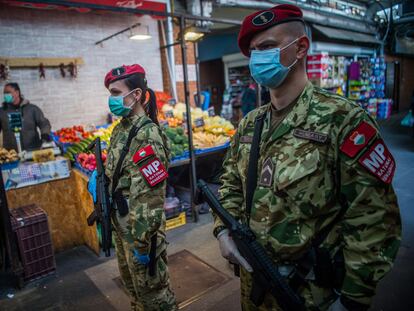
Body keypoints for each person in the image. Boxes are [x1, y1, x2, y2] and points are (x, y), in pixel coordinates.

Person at [213, 4, 401, 311]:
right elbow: (230, 184)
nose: (258, 58)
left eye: (267, 47)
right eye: (253, 52)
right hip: (254, 284)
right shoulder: (250, 124)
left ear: (300, 48)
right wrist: (222, 230)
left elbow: (374, 218)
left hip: (313, 293)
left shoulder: (343, 120)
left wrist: (353, 299)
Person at [103, 64, 177, 311]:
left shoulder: (147, 135)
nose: (111, 99)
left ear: (135, 94)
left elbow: (149, 198)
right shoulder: (121, 129)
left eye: (115, 92)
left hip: (140, 233)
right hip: (123, 227)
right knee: (135, 292)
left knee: (154, 297)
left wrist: (144, 245)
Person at [1, 82, 51, 151]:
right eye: (5, 93)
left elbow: (44, 123)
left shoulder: (32, 109)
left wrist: (45, 134)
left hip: (33, 150)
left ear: (17, 92)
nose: (6, 95)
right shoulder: (2, 112)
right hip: (12, 154)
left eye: (8, 92)